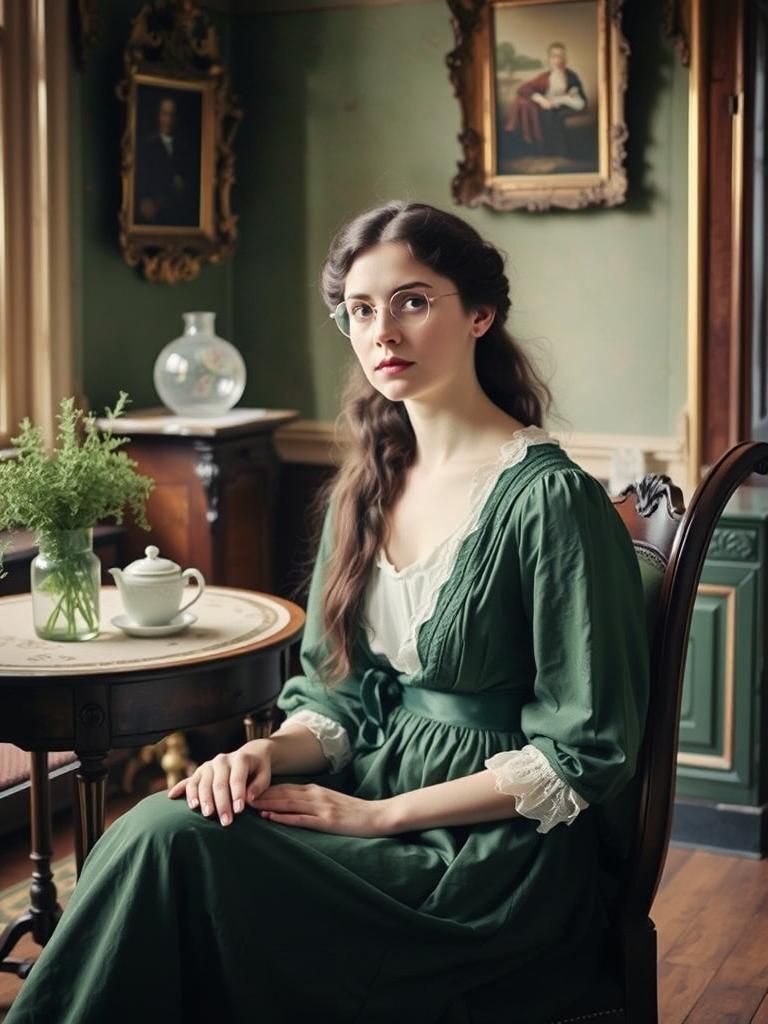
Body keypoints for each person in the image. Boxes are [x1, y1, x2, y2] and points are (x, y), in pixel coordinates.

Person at [6, 202, 649, 1024]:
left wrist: (378, 816)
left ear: (480, 314)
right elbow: (341, 694)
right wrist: (268, 752)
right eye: (361, 309)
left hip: (486, 861)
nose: (384, 330)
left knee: (176, 854)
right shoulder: (369, 483)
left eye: (414, 301)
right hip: (368, 785)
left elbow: (585, 753)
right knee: (161, 829)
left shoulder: (550, 499)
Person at [504, 42, 587, 158]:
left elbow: (580, 103)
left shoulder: (571, 76)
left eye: (561, 56)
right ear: (549, 59)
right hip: (546, 106)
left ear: (565, 59)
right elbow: (522, 88)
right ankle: (532, 146)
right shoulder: (546, 76)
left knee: (549, 113)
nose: (558, 60)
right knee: (522, 101)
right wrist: (541, 99)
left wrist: (559, 101)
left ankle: (554, 152)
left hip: (564, 107)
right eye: (554, 56)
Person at [134, 94, 199, 227]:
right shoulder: (147, 147)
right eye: (165, 114)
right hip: (157, 214)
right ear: (158, 116)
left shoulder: (186, 147)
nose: (168, 119)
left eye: (172, 114)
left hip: (180, 213)